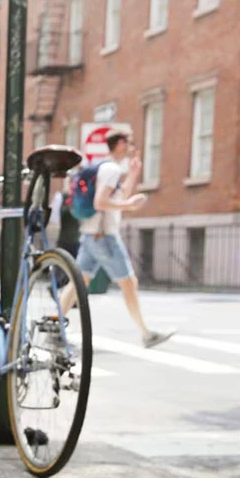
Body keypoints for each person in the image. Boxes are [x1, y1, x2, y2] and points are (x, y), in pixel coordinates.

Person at [63, 131, 174, 348]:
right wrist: (130, 205)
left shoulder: (108, 168)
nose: (132, 147)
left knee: (78, 283)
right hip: (104, 236)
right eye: (130, 143)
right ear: (121, 144)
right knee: (128, 282)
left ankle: (54, 327)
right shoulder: (111, 169)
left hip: (91, 234)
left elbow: (117, 196)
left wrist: (133, 174)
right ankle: (145, 333)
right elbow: (100, 203)